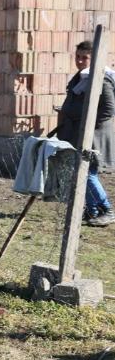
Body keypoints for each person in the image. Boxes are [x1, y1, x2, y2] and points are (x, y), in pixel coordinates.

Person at [57, 40, 115, 227]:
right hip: (77, 133)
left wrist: (87, 125)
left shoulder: (101, 79)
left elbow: (108, 109)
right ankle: (93, 210)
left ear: (94, 59)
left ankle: (107, 209)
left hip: (93, 135)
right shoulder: (83, 77)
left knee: (87, 172)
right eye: (78, 57)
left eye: (85, 58)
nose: (80, 61)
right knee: (83, 171)